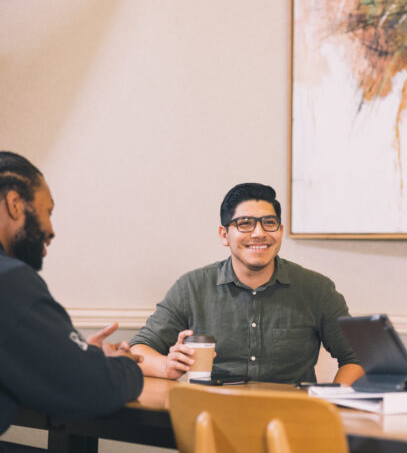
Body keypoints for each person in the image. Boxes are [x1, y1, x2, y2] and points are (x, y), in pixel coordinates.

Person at [130, 183, 364, 385]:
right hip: (212, 416)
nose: (259, 233)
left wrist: (335, 401)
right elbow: (137, 349)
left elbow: (357, 357)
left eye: (269, 223)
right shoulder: (192, 287)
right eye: (245, 224)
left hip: (291, 421)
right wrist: (166, 366)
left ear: (280, 232)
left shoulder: (317, 289)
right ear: (224, 235)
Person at [0, 152, 144, 439]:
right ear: (15, 205)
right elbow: (91, 387)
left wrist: (75, 355)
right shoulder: (10, 280)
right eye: (47, 211)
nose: (51, 230)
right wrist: (126, 365)